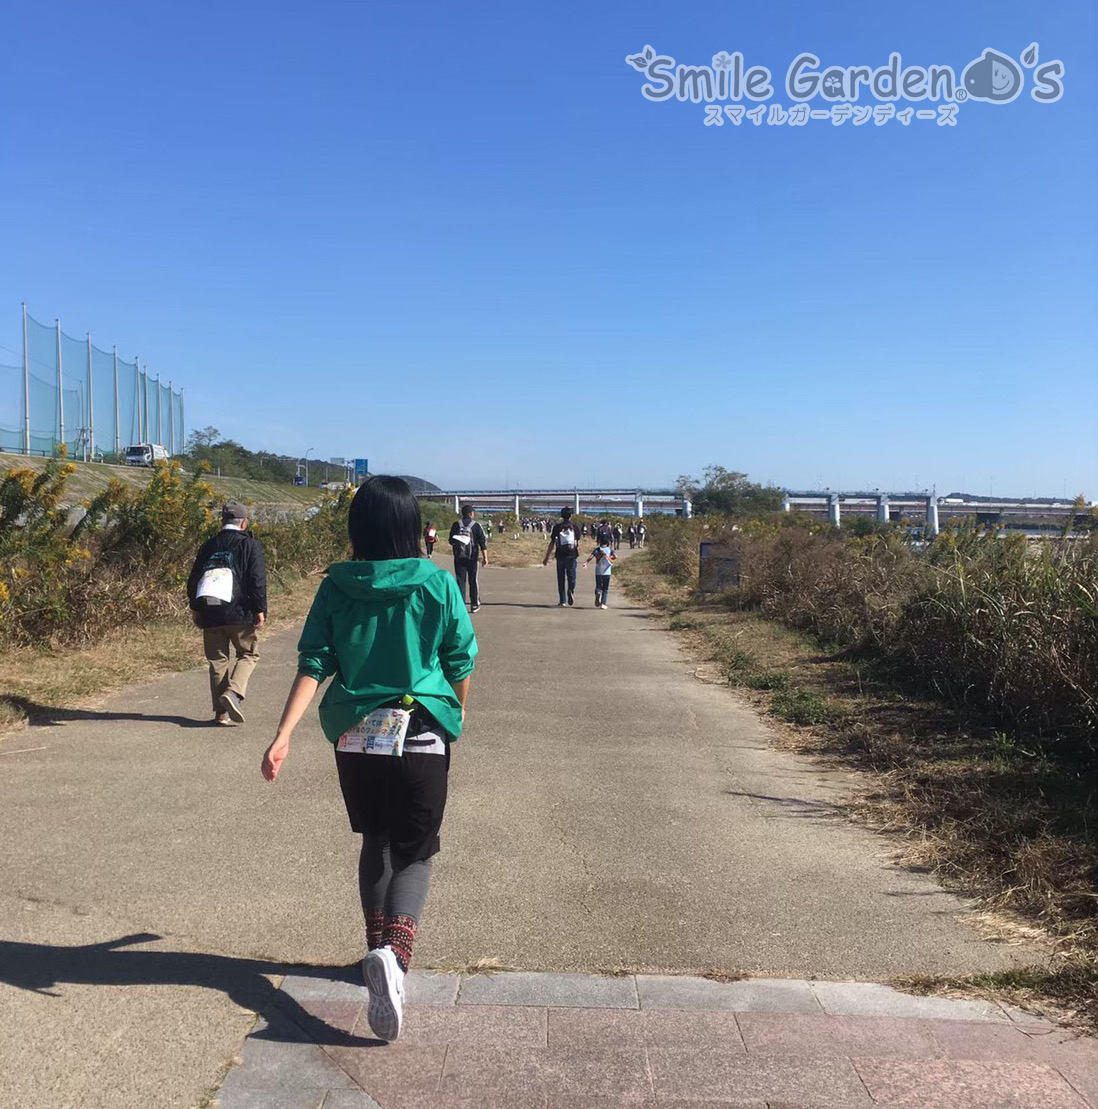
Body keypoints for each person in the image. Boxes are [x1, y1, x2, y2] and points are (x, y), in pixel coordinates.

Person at [261, 476, 477, 1043]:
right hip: (421, 734)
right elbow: (460, 657)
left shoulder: (335, 586)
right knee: (418, 851)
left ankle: (375, 950)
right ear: (412, 527)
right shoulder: (435, 582)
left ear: (357, 528)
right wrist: (453, 714)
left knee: (375, 840)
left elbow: (314, 662)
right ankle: (395, 959)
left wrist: (283, 733)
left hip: (355, 738)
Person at [187, 501, 267, 725]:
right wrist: (260, 609)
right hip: (239, 611)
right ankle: (233, 693)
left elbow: (194, 579)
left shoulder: (208, 545)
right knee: (248, 654)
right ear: (243, 522)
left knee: (218, 661)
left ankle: (221, 714)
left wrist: (195, 608)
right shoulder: (249, 545)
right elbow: (257, 580)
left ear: (223, 521)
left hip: (210, 612)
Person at [449, 504, 488, 612]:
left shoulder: (456, 525)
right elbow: (482, 543)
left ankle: (461, 605)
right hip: (472, 558)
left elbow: (451, 541)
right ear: (471, 513)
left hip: (459, 558)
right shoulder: (476, 526)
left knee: (460, 581)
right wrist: (485, 558)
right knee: (473, 580)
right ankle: (474, 604)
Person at [542, 506, 581, 606]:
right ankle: (571, 590)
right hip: (572, 555)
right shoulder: (575, 527)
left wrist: (546, 557)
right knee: (572, 577)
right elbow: (577, 541)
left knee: (561, 578)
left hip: (560, 555)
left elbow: (552, 543)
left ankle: (562, 600)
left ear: (562, 515)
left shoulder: (557, 527)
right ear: (571, 515)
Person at [584, 538, 616, 609]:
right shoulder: (610, 549)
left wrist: (586, 563)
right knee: (605, 588)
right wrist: (609, 557)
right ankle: (603, 604)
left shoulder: (597, 550)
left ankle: (598, 592)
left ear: (600, 542)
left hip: (598, 572)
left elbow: (591, 557)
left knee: (598, 586)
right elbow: (615, 556)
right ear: (608, 542)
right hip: (607, 572)